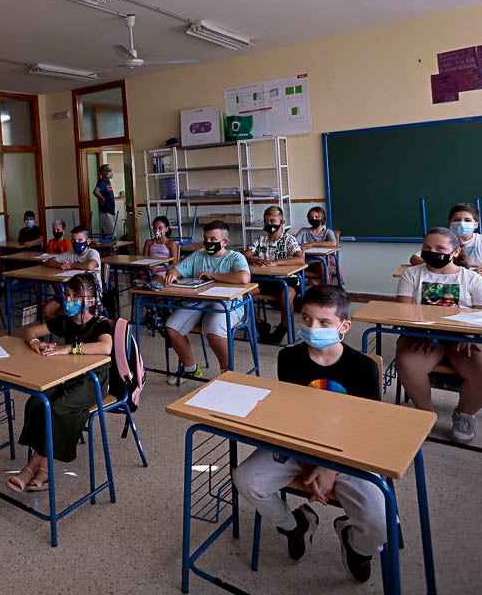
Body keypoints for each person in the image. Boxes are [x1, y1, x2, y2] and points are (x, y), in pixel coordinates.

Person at [232, 285, 384, 584]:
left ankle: (355, 543)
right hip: (300, 447)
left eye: (324, 322)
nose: (312, 328)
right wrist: (308, 463)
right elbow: (292, 419)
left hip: (350, 452)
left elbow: (367, 430)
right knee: (246, 479)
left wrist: (329, 467)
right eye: (306, 319)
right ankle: (294, 525)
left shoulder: (363, 368)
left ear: (344, 326)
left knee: (379, 524)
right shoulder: (290, 359)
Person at [7, 273, 113, 493]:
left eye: (76, 295)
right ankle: (43, 473)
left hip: (94, 381)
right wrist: (35, 342)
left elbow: (106, 347)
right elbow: (31, 330)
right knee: (37, 401)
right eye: (67, 294)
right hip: (69, 375)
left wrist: (70, 348)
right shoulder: (66, 322)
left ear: (91, 301)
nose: (69, 299)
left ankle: (34, 466)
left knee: (57, 407)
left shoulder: (100, 323)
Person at [395, 227, 482, 444]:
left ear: (455, 251)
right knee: (407, 363)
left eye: (440, 248)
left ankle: (464, 414)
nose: (432, 252)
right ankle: (425, 415)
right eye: (426, 248)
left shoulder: (471, 278)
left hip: (464, 340)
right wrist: (418, 330)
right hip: (423, 338)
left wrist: (470, 335)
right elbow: (404, 311)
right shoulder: (411, 274)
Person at [161, 220, 251, 382]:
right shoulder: (198, 255)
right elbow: (178, 269)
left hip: (228, 305)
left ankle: (227, 373)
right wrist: (172, 274)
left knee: (213, 330)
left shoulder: (235, 257)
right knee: (172, 327)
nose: (208, 242)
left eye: (213, 239)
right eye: (206, 239)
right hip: (200, 303)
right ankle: (191, 369)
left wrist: (213, 275)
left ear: (225, 242)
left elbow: (244, 277)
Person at [407, 202, 482, 311]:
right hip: (446, 283)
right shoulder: (444, 240)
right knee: (439, 305)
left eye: (467, 220)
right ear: (450, 223)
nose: (462, 223)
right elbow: (415, 258)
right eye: (456, 220)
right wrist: (437, 264)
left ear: (476, 224)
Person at [246, 205, 304, 344]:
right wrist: (256, 259)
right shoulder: (261, 240)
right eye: (266, 221)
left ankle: (283, 326)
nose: (269, 224)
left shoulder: (289, 239)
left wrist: (276, 263)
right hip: (266, 279)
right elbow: (245, 255)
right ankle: (260, 324)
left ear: (282, 222)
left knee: (286, 296)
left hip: (288, 279)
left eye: (273, 221)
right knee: (242, 295)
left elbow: (300, 258)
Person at [41, 225, 103, 312]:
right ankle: (63, 324)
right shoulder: (70, 253)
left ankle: (69, 321)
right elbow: (49, 261)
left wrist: (70, 265)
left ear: (88, 241)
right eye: (74, 240)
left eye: (80, 240)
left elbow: (90, 266)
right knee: (47, 309)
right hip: (71, 294)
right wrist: (60, 265)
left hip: (90, 295)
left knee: (69, 310)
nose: (76, 243)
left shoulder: (93, 253)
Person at [294, 206, 340, 287]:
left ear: (322, 218)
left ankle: (326, 292)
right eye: (311, 217)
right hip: (304, 261)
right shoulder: (304, 231)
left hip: (321, 262)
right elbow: (295, 244)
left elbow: (333, 244)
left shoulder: (327, 232)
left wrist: (312, 244)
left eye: (316, 217)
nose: (313, 219)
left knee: (322, 265)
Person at [93, 163, 117, 239]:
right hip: (106, 212)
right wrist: (102, 199)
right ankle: (110, 251)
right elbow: (96, 191)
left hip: (110, 211)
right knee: (112, 236)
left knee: (109, 235)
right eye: (109, 171)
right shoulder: (102, 182)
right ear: (103, 172)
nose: (111, 172)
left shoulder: (107, 182)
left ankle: (107, 251)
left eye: (111, 170)